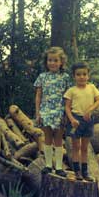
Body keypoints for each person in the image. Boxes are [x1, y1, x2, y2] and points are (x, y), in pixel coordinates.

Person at [34, 47, 70, 177]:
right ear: (46, 62)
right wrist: (37, 113)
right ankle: (49, 165)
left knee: (59, 139)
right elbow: (38, 96)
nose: (52, 63)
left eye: (55, 60)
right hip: (45, 112)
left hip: (60, 112)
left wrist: (67, 113)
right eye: (50, 60)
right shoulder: (42, 77)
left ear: (61, 62)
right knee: (48, 138)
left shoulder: (65, 77)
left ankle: (59, 167)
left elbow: (68, 96)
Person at [64, 62, 99, 181]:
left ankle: (85, 172)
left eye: (84, 74)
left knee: (85, 148)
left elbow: (98, 101)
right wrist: (72, 119)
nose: (81, 77)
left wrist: (89, 110)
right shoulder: (71, 90)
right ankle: (77, 172)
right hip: (76, 119)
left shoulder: (92, 88)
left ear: (88, 75)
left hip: (88, 120)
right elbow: (67, 107)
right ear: (74, 76)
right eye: (78, 74)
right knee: (76, 147)